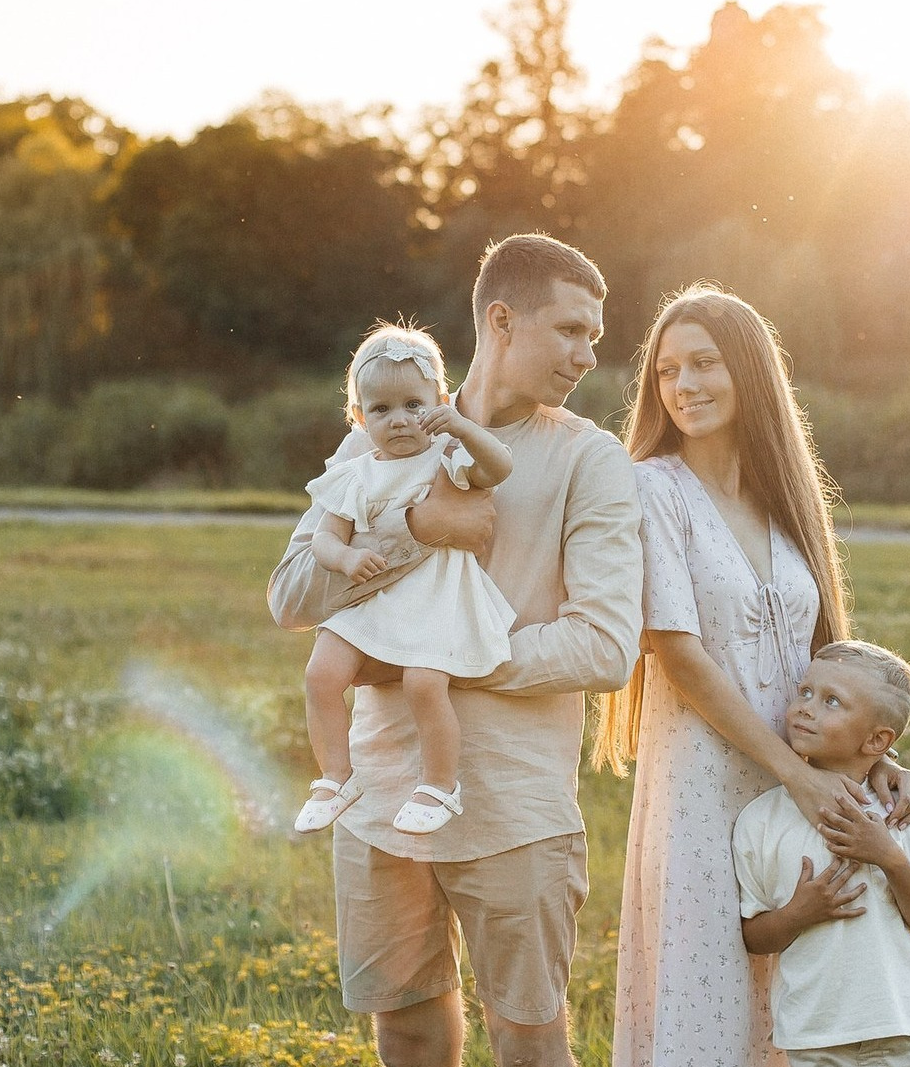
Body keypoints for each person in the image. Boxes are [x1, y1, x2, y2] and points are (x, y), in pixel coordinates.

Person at [268, 233, 643, 1067]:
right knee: (403, 1027)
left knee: (530, 1038)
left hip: (514, 806)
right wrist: (414, 527)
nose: (589, 355)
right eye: (571, 331)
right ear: (502, 320)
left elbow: (605, 647)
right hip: (378, 801)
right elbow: (290, 595)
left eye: (594, 335)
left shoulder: (591, 459)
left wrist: (418, 655)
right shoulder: (384, 430)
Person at [592, 284, 910, 1067]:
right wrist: (795, 775)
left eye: (705, 363)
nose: (685, 386)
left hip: (803, 776)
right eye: (668, 370)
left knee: (804, 980)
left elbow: (832, 659)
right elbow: (676, 653)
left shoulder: (787, 501)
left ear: (749, 372)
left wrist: (869, 762)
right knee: (706, 986)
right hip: (705, 780)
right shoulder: (653, 487)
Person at [293, 322, 516, 838]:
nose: (399, 420)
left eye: (414, 406)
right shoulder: (354, 473)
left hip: (434, 597)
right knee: (321, 673)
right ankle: (335, 777)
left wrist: (460, 428)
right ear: (358, 417)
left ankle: (439, 785)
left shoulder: (447, 459)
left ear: (438, 403)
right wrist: (347, 560)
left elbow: (500, 467)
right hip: (374, 595)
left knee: (423, 683)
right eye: (381, 409)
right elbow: (324, 539)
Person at [733, 641, 910, 1067]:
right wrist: (799, 913)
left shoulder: (900, 812)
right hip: (815, 1032)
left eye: (831, 701)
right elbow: (754, 937)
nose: (805, 708)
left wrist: (889, 857)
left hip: (900, 1026)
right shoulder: (760, 820)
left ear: (877, 740)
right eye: (805, 692)